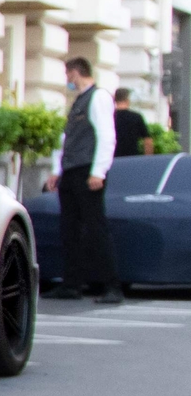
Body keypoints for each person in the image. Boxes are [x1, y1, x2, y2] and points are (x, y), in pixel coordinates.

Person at [53, 55, 122, 304]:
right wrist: (56, 170)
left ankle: (112, 286)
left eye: (67, 74)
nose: (66, 79)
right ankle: (71, 284)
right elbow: (66, 139)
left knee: (96, 229)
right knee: (69, 230)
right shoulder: (79, 101)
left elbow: (106, 136)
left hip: (87, 171)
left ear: (75, 72)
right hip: (72, 170)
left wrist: (98, 171)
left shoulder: (99, 97)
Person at [113, 87, 150, 159]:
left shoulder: (110, 117)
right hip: (132, 158)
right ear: (127, 100)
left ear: (115, 99)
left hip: (113, 159)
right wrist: (147, 159)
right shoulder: (136, 117)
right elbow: (147, 140)